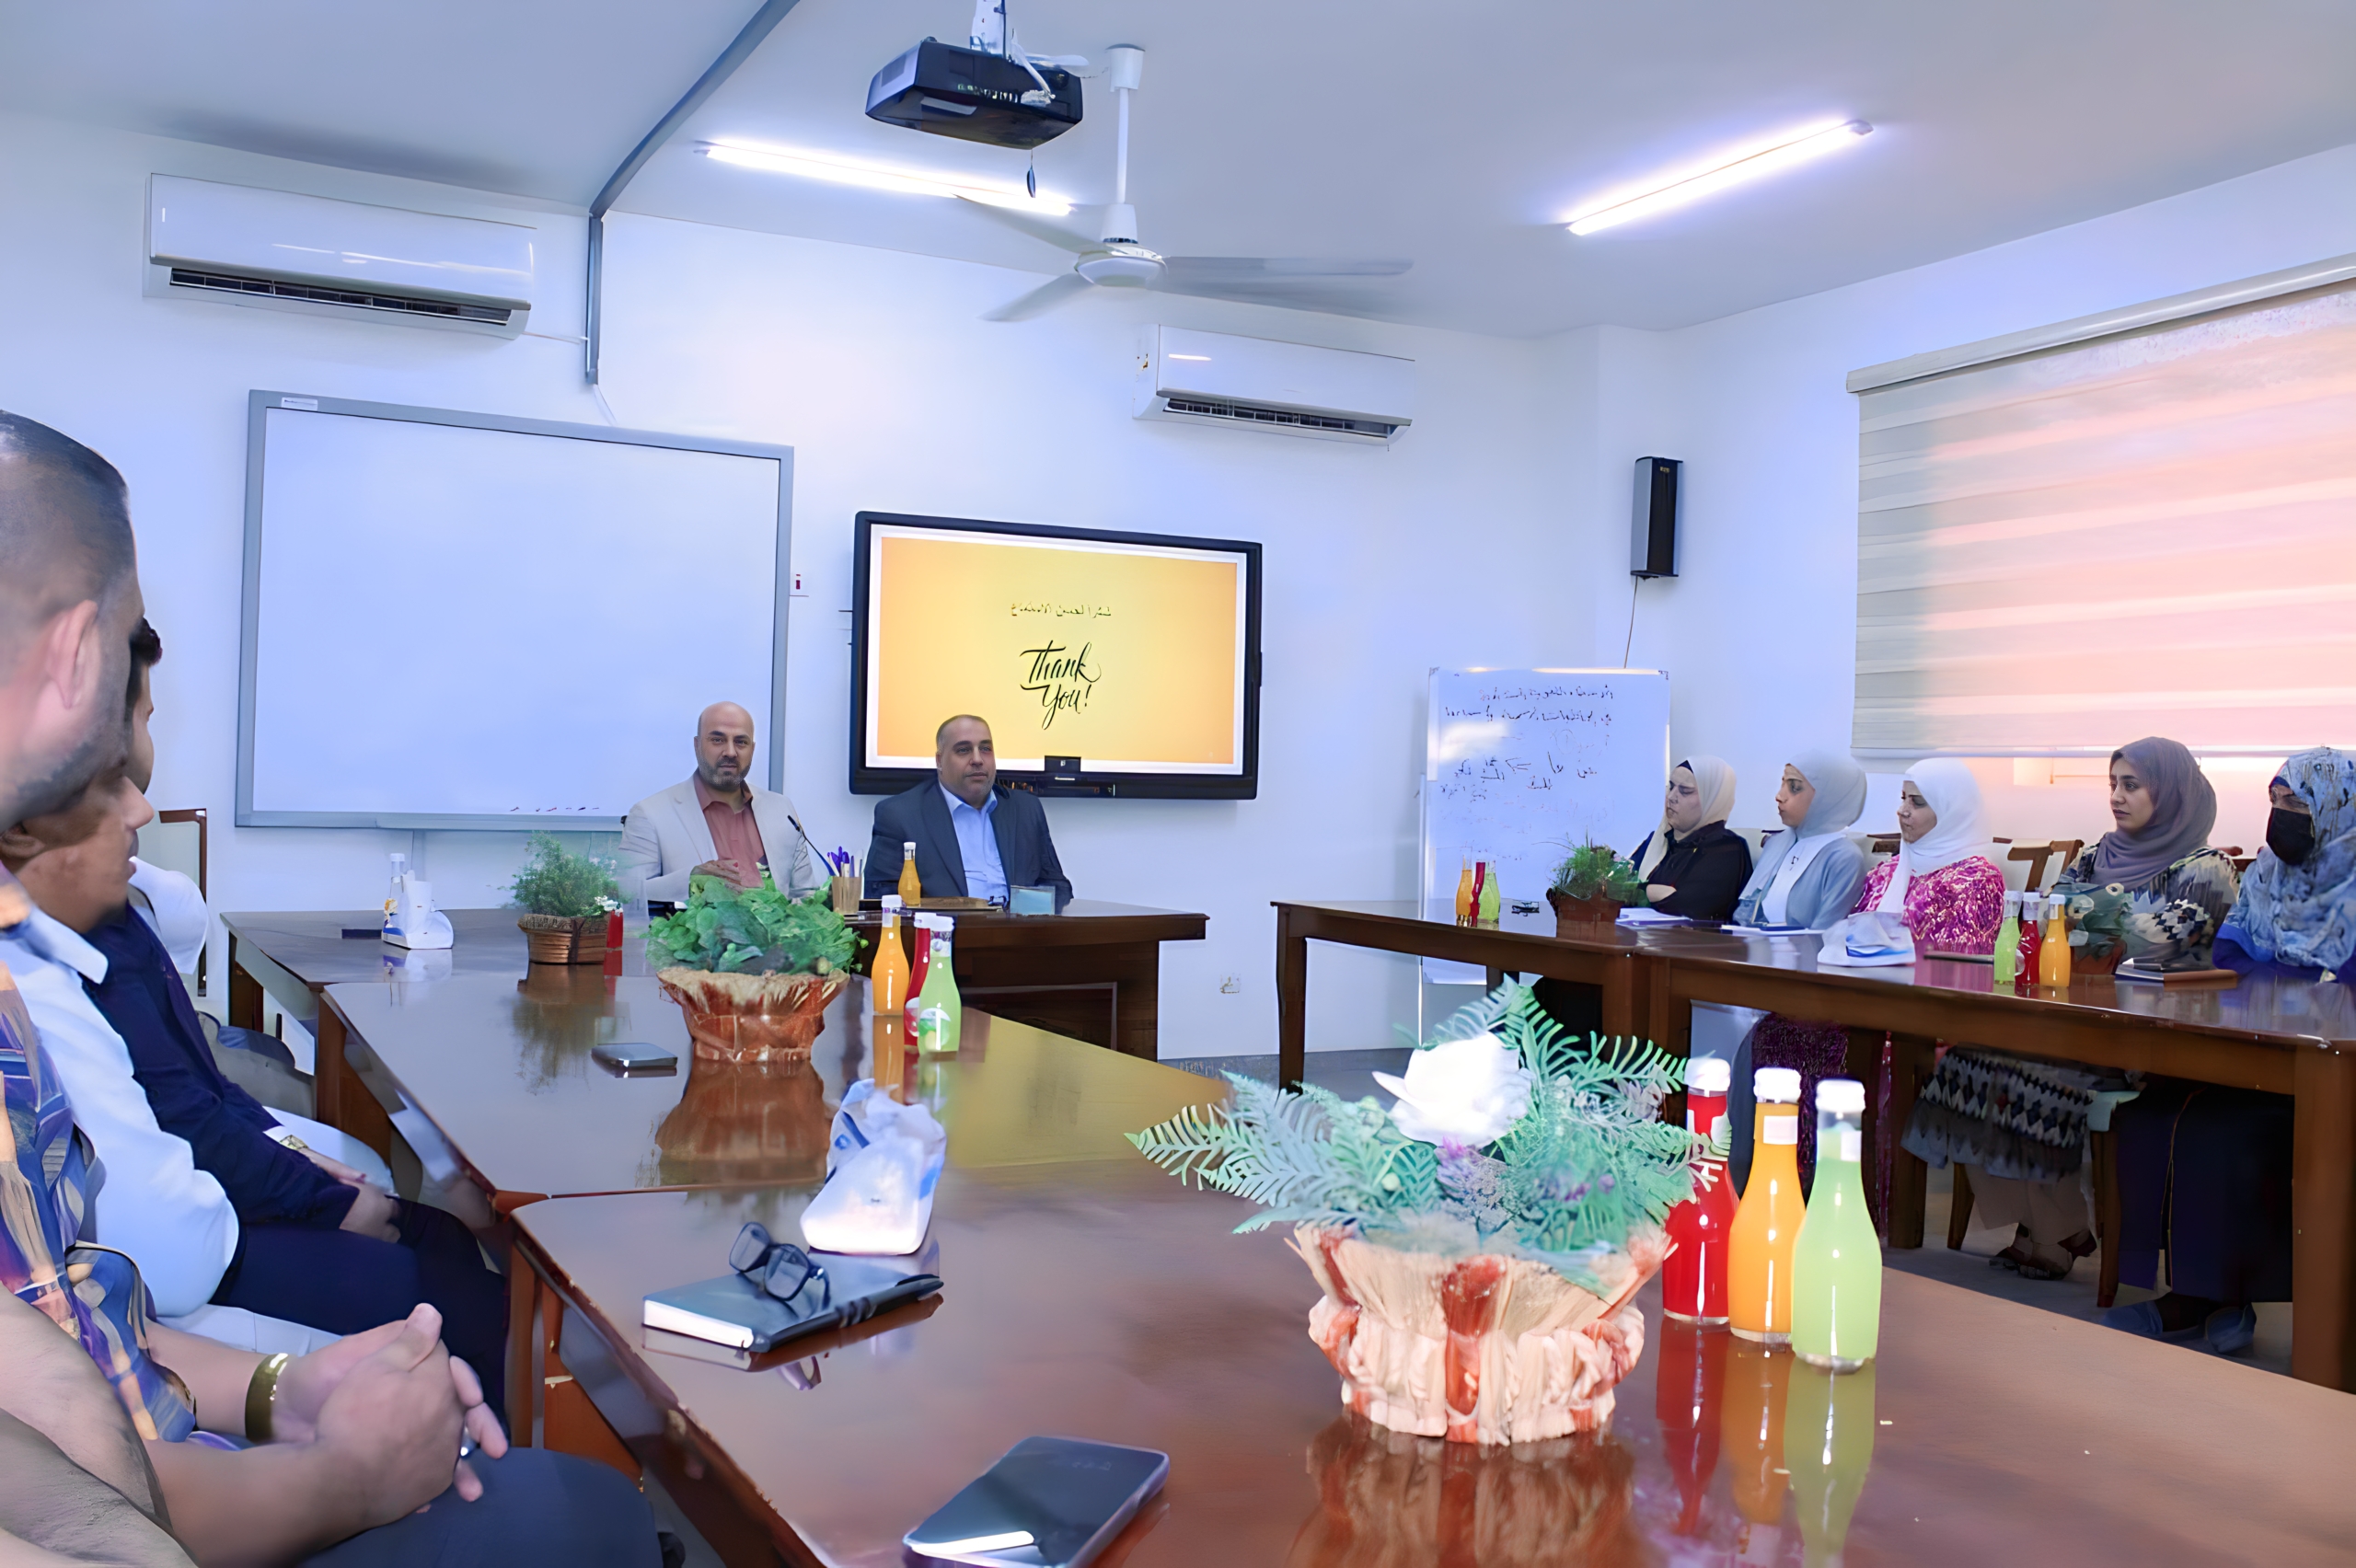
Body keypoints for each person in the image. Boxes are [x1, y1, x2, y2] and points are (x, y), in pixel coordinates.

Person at [0, 409, 663, 1563]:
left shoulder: (30, 975)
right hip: (180, 1501)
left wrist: (280, 1392)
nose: (141, 790)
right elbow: (83, 1493)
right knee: (574, 1510)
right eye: (127, 650)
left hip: (182, 1428)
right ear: (71, 659)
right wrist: (338, 1480)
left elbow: (68, 1337)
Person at [6, 701, 508, 1405]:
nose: (143, 808)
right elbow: (179, 1197)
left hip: (212, 1210)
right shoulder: (38, 971)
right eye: (111, 781)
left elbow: (199, 1089)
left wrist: (299, 1164)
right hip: (197, 1254)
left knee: (442, 1241)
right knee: (455, 1296)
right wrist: (318, 1197)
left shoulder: (100, 914)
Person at [1907, 738, 2238, 1287]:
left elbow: (2155, 939)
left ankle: (2049, 1232)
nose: (2116, 796)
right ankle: (2057, 1227)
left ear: (2172, 791)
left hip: (2140, 1040)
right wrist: (2092, 920)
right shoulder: (2095, 855)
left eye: (2131, 785)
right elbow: (2046, 920)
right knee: (1964, 1067)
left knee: (2031, 1080)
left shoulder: (2209, 869)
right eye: (2113, 784)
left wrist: (2085, 916)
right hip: (2066, 1024)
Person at [2101, 747, 2350, 1355]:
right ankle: (2201, 1296)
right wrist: (2298, 980)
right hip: (2256, 1048)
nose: (2280, 815)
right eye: (2275, 800)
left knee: (2220, 1135)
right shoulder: (2266, 873)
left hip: (2331, 1070)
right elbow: (2231, 954)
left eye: (2297, 804)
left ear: (2337, 809)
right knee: (2149, 1117)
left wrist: (2287, 981)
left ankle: (2219, 1296)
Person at [1745, 760, 2004, 1189]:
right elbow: (1849, 938)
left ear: (1951, 810)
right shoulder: (1886, 872)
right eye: (1902, 799)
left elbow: (1958, 966)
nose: (1902, 811)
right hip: (1862, 1008)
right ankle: (1789, 1183)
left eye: (1917, 802)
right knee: (1776, 1030)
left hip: (1922, 1022)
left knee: (1845, 1049)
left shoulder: (1977, 878)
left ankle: (1856, 1194)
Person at [864, 715, 1072, 905]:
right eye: (963, 750)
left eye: (986, 749)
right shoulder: (900, 815)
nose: (978, 759)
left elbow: (1058, 887)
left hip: (1017, 930)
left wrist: (1019, 915)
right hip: (946, 933)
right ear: (939, 761)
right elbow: (881, 901)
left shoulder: (1026, 809)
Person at [618, 700, 813, 902]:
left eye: (741, 742)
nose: (730, 752)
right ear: (697, 745)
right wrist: (690, 881)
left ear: (752, 749)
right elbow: (626, 890)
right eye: (718, 740)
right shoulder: (649, 813)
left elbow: (806, 895)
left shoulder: (782, 809)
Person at [1730, 751, 1871, 930]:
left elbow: (1825, 933)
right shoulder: (1777, 843)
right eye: (1782, 784)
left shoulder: (1844, 857)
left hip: (1803, 948)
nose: (1779, 796)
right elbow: (1746, 914)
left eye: (1795, 787)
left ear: (1828, 796)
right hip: (1752, 945)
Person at [1629, 756, 1750, 920]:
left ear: (1712, 799)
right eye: (1671, 787)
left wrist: (1642, 891)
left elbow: (1688, 906)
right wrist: (1653, 892)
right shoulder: (1659, 840)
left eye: (1685, 791)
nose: (1672, 797)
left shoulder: (1726, 848)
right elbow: (1616, 887)